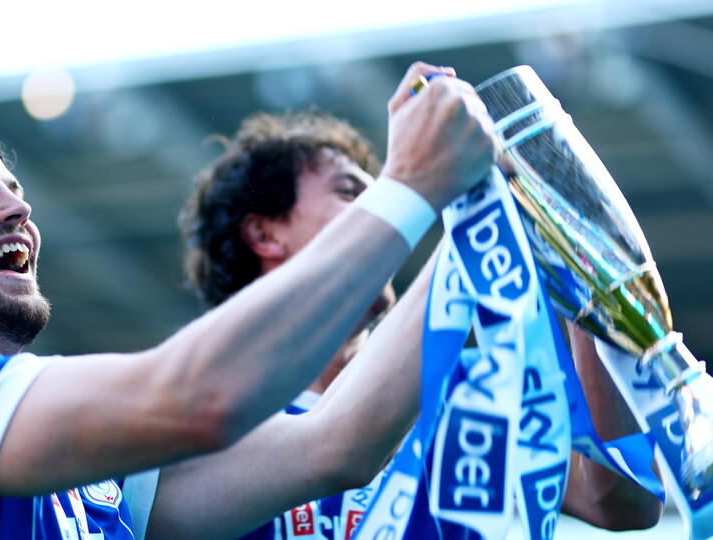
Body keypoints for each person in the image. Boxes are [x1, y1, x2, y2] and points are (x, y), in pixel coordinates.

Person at [0, 62, 498, 539]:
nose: (15, 213)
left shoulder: (80, 472)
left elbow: (335, 445)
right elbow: (201, 397)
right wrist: (411, 186)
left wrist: (477, 220)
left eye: (15, 194)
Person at [143, 109, 664, 539]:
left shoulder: (466, 389)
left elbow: (623, 504)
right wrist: (480, 220)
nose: (389, 217)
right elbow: (337, 447)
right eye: (352, 192)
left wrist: (581, 296)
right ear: (265, 233)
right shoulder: (199, 413)